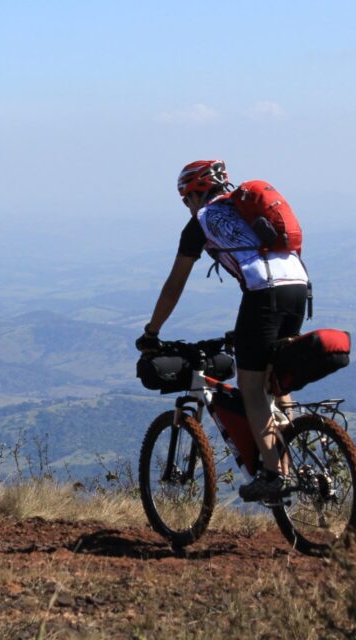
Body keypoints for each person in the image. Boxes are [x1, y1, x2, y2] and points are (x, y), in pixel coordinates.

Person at [136, 159, 310, 502]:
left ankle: (275, 474)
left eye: (186, 200)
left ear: (195, 193)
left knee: (251, 388)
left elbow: (175, 284)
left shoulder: (201, 222)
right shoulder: (244, 209)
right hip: (300, 287)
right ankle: (292, 445)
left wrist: (152, 331)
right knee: (275, 378)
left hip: (264, 294)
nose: (187, 207)